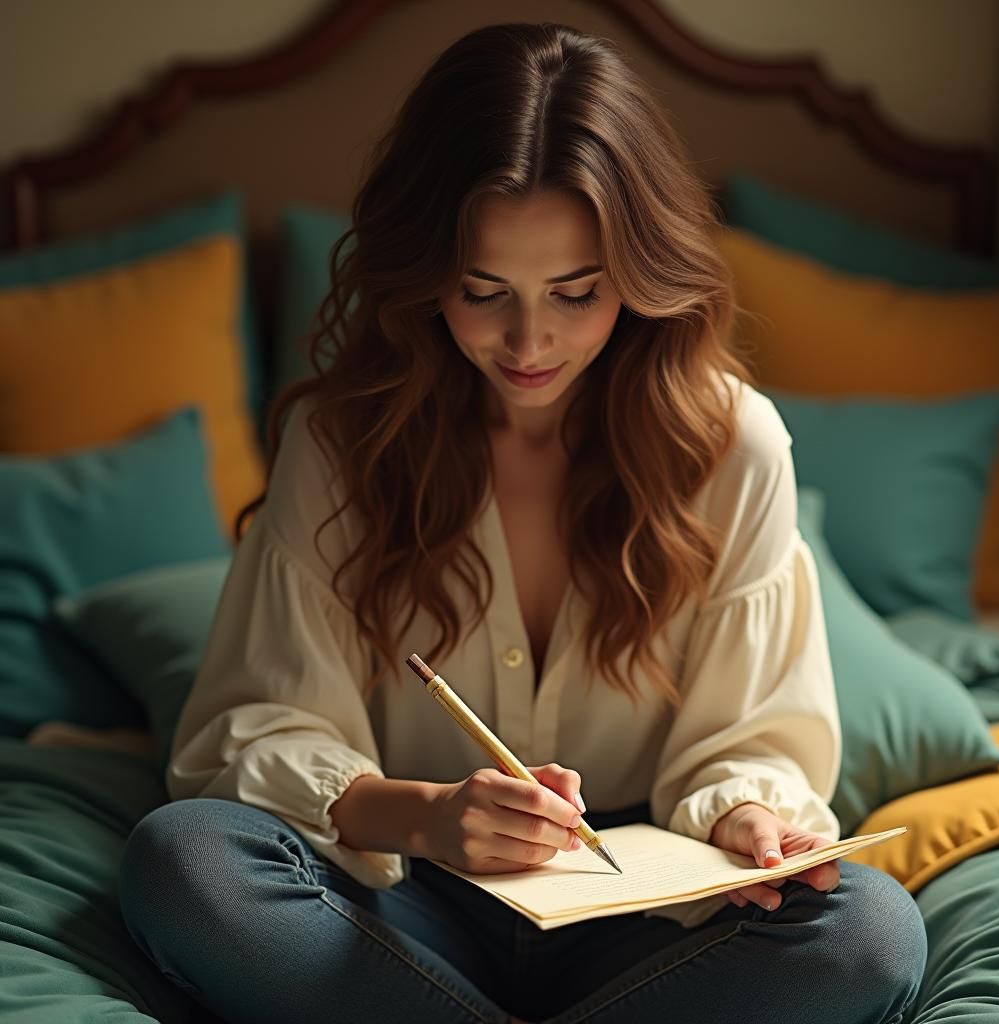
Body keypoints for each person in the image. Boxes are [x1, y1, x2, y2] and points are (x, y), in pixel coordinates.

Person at [118, 21, 927, 1024]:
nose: (529, 340)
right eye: (483, 291)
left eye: (576, 293)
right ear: (425, 277)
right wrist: (431, 815)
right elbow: (253, 732)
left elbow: (753, 740)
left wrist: (751, 818)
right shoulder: (341, 445)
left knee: (867, 931)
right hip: (401, 896)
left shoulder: (733, 444)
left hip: (647, 906)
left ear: (636, 272)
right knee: (183, 859)